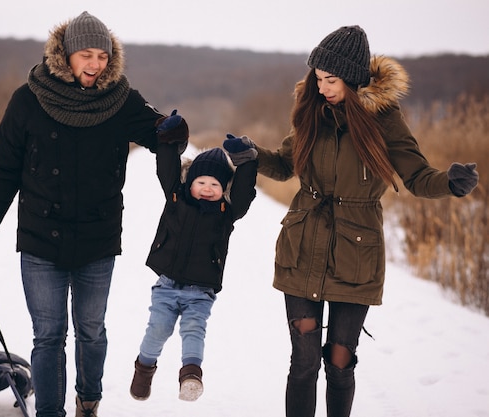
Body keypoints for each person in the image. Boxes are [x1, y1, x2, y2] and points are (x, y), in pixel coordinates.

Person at [0, 11, 189, 417]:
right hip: (40, 237)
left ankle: (88, 403)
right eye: (86, 54)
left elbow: (158, 132)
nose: (95, 64)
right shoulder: (28, 99)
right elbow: (5, 172)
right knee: (48, 336)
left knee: (91, 331)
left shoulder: (121, 100)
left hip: (97, 238)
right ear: (65, 55)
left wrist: (173, 129)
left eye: (102, 56)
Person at [250, 26, 479, 417]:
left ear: (353, 78)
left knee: (339, 363)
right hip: (303, 245)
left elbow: (418, 177)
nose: (322, 87)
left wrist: (451, 184)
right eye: (318, 78)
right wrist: (250, 154)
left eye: (331, 80)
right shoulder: (311, 113)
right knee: (303, 363)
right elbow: (285, 165)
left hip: (356, 254)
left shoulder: (384, 120)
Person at [129, 135, 258, 402]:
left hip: (200, 290)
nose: (208, 189)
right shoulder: (177, 198)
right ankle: (144, 369)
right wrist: (167, 142)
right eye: (201, 182)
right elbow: (166, 170)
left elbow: (245, 192)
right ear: (190, 182)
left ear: (224, 188)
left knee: (193, 329)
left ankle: (190, 376)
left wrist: (246, 162)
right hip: (167, 285)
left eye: (215, 184)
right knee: (158, 329)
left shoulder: (226, 213)